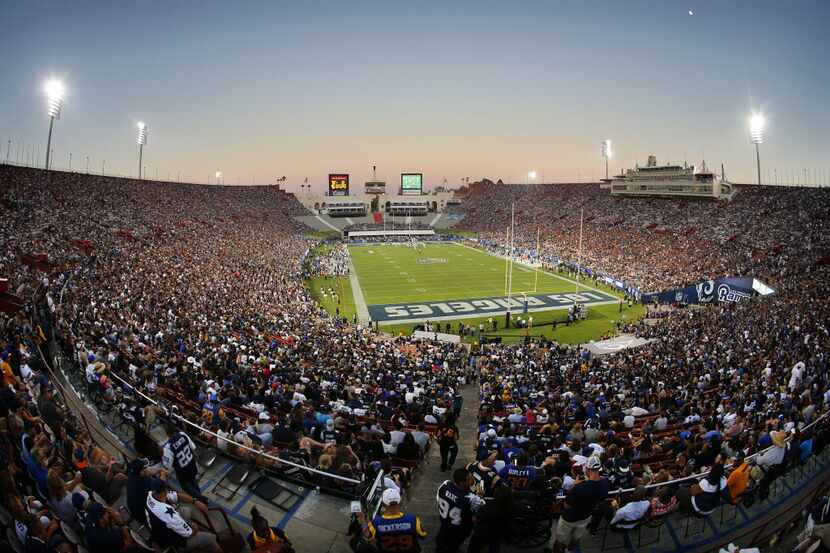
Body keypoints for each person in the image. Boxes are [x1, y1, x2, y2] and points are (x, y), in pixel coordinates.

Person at [547, 456, 609, 553]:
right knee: (576, 538)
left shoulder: (579, 488)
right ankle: (569, 550)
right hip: (586, 517)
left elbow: (566, 506)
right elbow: (601, 497)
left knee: (560, 540)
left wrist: (575, 485)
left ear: (587, 469)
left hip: (569, 519)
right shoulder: (605, 483)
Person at [145, 478, 220, 552]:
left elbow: (177, 496)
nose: (167, 491)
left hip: (162, 533)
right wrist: (194, 528)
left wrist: (195, 501)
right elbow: (189, 533)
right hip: (175, 542)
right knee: (211, 538)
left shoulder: (151, 495)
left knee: (186, 511)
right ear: (163, 491)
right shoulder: (165, 512)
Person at [359, 488, 426, 553]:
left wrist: (362, 519)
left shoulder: (376, 523)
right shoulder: (413, 519)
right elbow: (423, 535)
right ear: (399, 502)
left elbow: (367, 536)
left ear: (383, 504)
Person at [436, 468, 478, 553]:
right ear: (462, 483)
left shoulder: (445, 484)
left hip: (444, 522)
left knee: (441, 540)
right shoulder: (470, 498)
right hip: (459, 529)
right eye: (469, 479)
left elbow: (438, 497)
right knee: (453, 546)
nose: (472, 481)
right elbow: (480, 511)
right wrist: (479, 496)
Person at [162, 425, 207, 502]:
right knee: (193, 481)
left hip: (182, 471)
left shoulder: (168, 447)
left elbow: (167, 465)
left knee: (187, 488)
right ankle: (200, 497)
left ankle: (201, 499)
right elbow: (193, 447)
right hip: (191, 464)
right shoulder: (182, 434)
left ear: (167, 433)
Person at [467, 484, 512, 553]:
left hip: (481, 533)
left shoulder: (486, 507)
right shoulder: (508, 509)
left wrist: (480, 499)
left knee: (473, 548)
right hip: (497, 533)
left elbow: (475, 519)